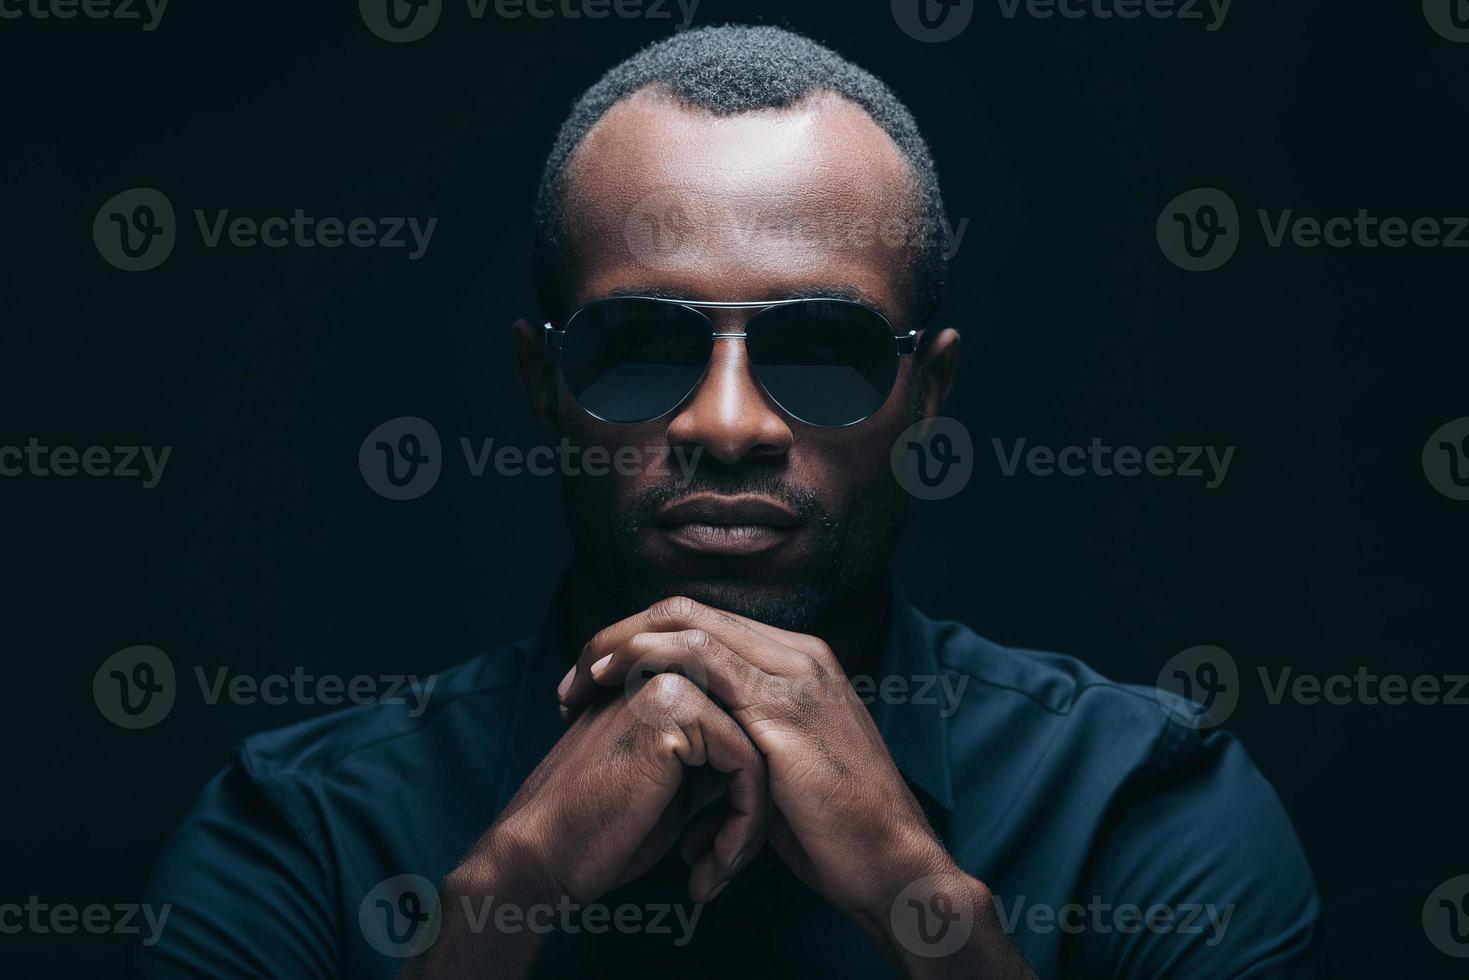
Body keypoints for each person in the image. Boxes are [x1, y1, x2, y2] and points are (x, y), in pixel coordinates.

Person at [131, 25, 1324, 979]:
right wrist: (500, 900)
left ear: (926, 391)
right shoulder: (301, 835)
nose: (728, 422)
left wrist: (920, 897)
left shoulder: (1143, 813)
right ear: (543, 386)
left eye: (823, 352)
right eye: (639, 346)